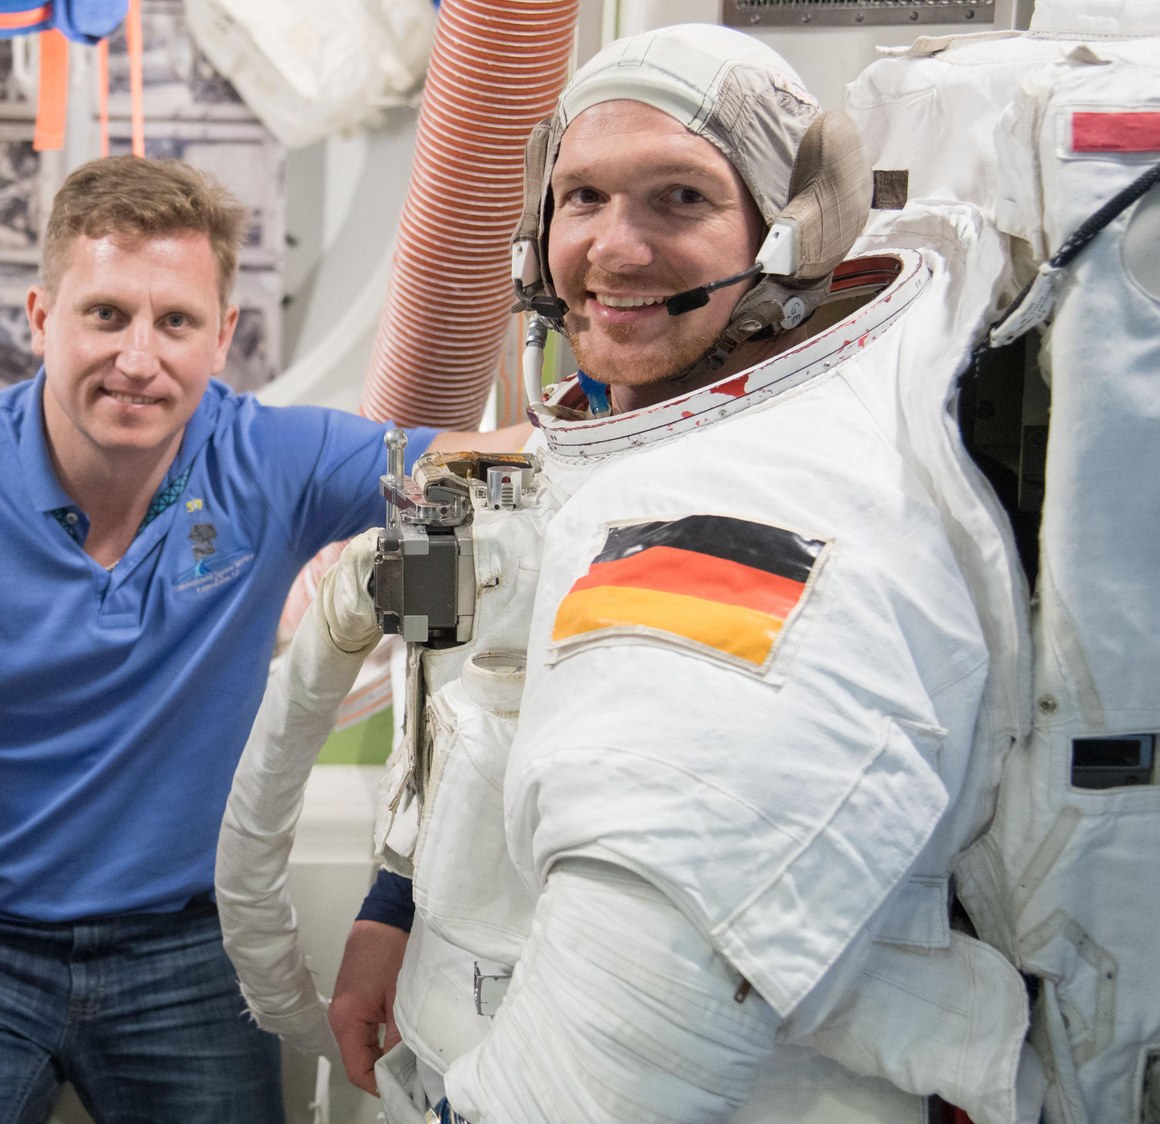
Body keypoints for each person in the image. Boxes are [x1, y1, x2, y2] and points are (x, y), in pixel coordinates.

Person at [305, 24, 1041, 1123]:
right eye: (582, 197)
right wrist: (394, 903)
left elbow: (612, 1065)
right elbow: (474, 714)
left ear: (791, 229)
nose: (615, 249)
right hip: (466, 1018)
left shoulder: (759, 508)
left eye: (679, 199)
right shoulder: (586, 452)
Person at [0, 156, 512, 1122]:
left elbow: (493, 467)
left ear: (223, 334)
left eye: (176, 322)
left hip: (187, 941)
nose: (138, 359)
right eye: (106, 314)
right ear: (40, 318)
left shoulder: (269, 460)